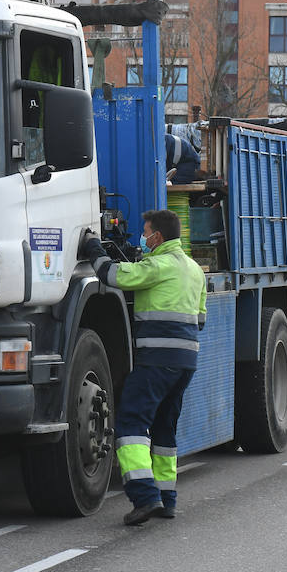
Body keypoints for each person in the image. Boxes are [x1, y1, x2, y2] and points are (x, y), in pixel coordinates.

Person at [81, 210, 207, 525]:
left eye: (146, 232)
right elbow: (200, 319)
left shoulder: (158, 266)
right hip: (185, 363)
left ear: (158, 237)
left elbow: (112, 277)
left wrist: (93, 247)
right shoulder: (194, 270)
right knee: (165, 429)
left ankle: (145, 497)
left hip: (157, 361)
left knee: (131, 425)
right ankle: (167, 500)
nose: (143, 237)